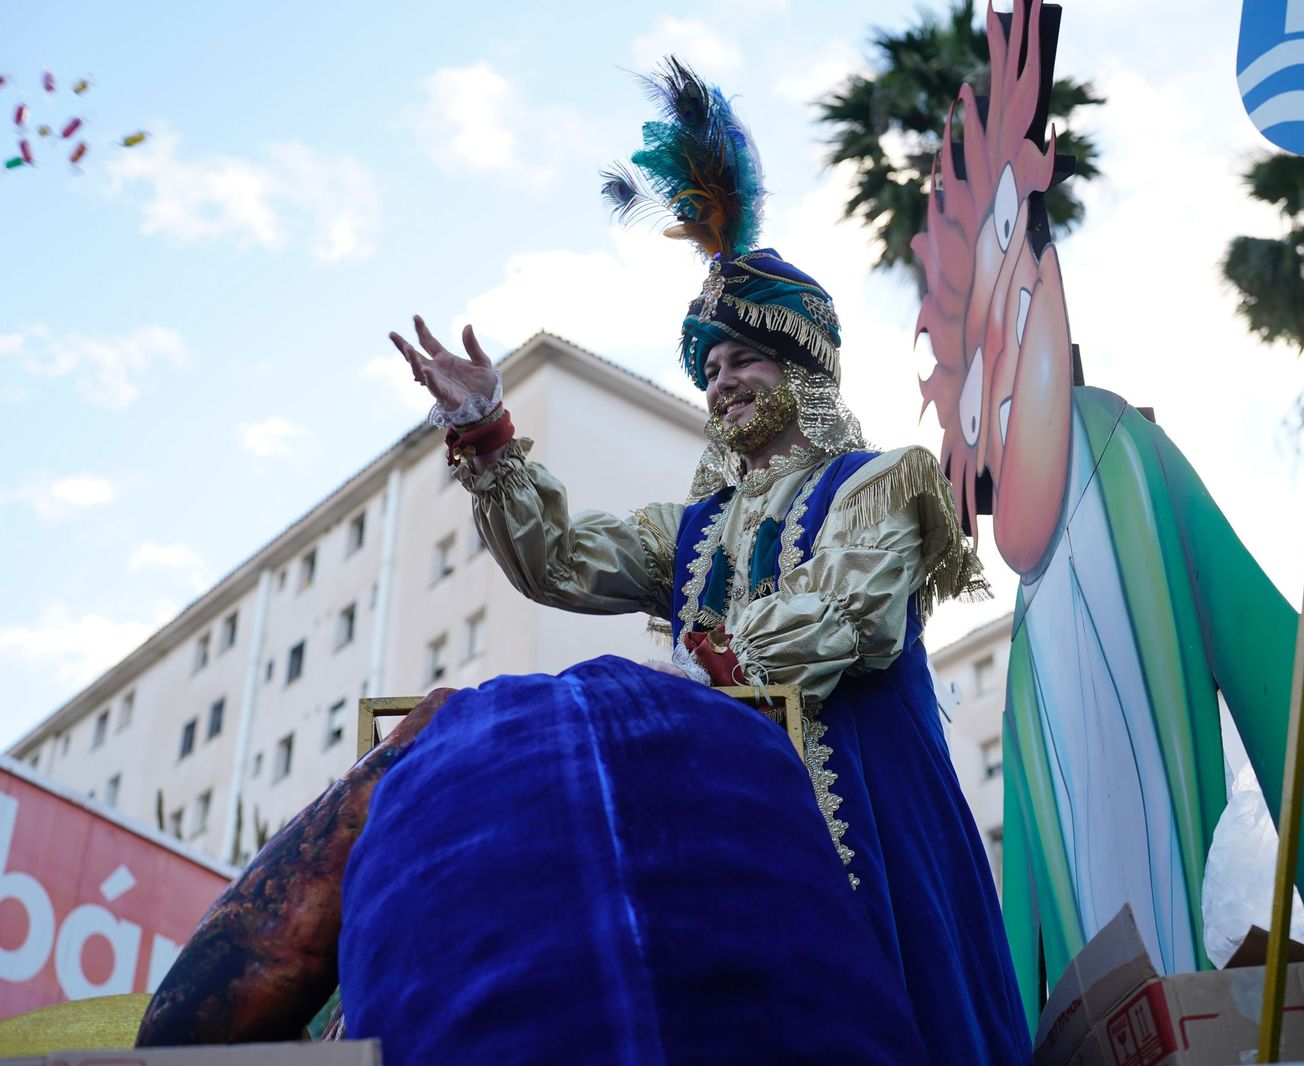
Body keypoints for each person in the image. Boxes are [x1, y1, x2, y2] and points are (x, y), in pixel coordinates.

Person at [383, 61, 1030, 1063]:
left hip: (867, 832)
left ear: (803, 365)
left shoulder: (885, 482)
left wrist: (693, 671)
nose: (723, 382)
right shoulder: (691, 533)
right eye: (711, 367)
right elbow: (557, 560)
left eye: (744, 359)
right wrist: (486, 432)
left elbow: (844, 621)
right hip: (729, 838)